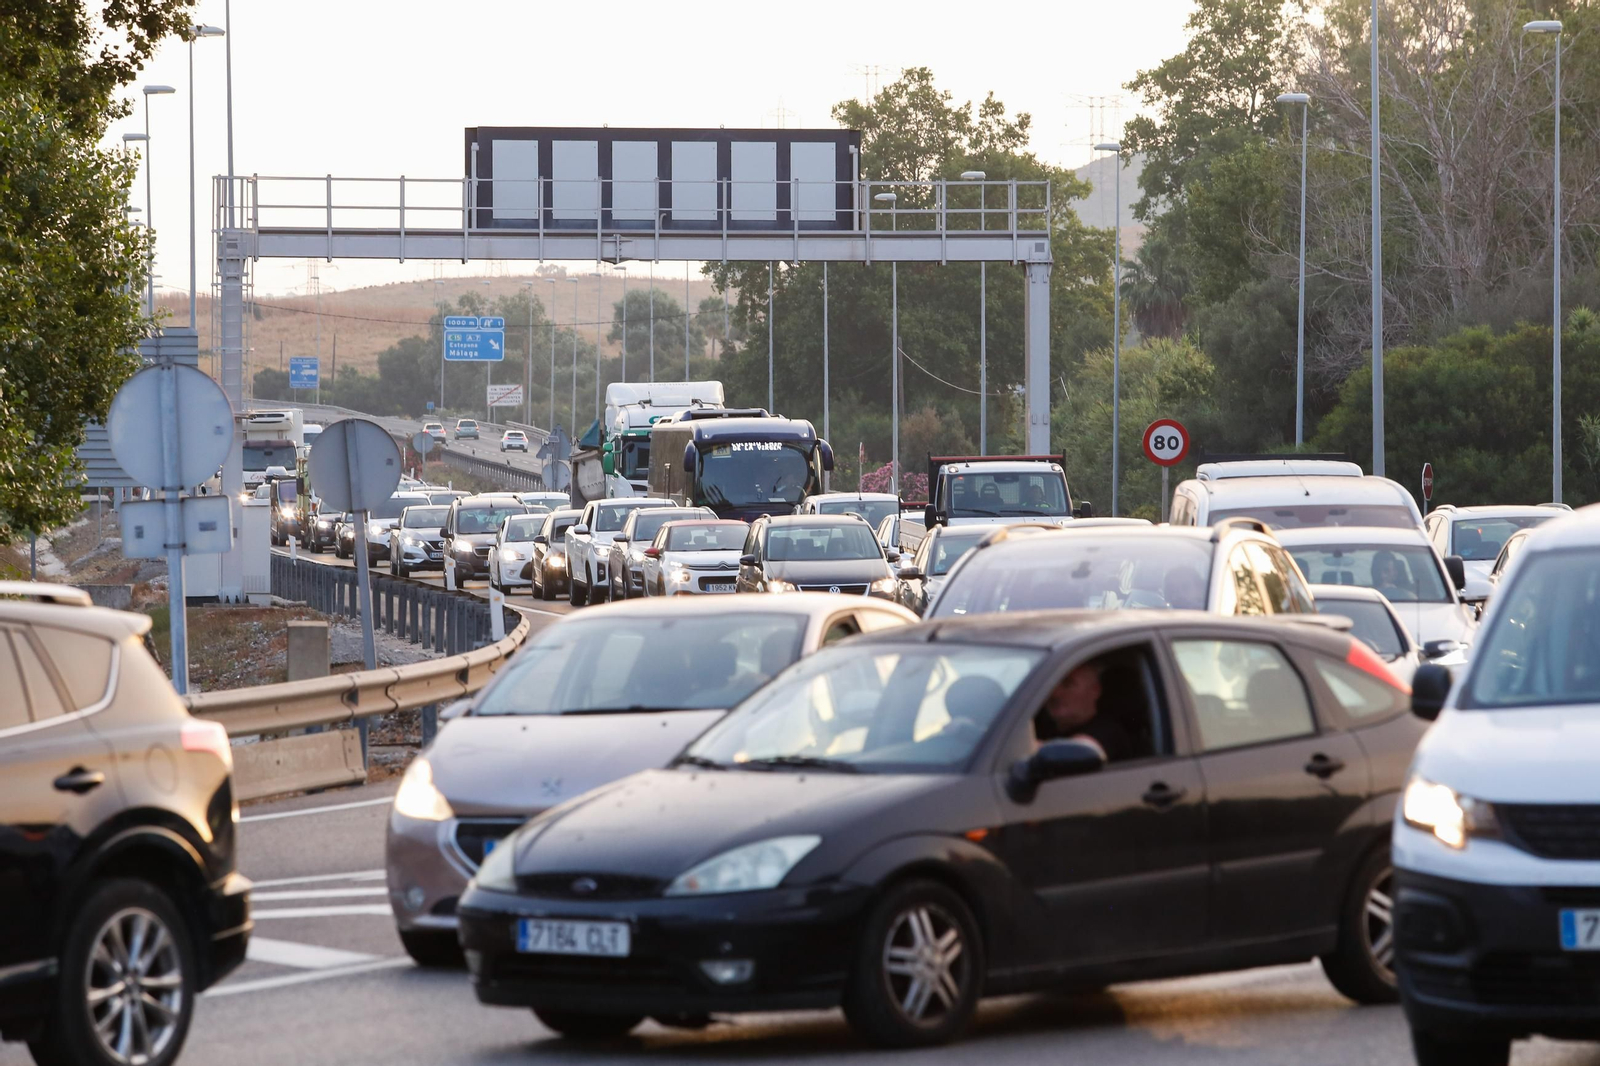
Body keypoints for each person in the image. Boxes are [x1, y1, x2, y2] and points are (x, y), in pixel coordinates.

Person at [1033, 660, 1135, 762]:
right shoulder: (1041, 726)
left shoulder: (1107, 732)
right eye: (1052, 685)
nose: (1055, 693)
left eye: (1068, 684)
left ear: (1095, 690)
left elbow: (1074, 752)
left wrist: (1023, 747)